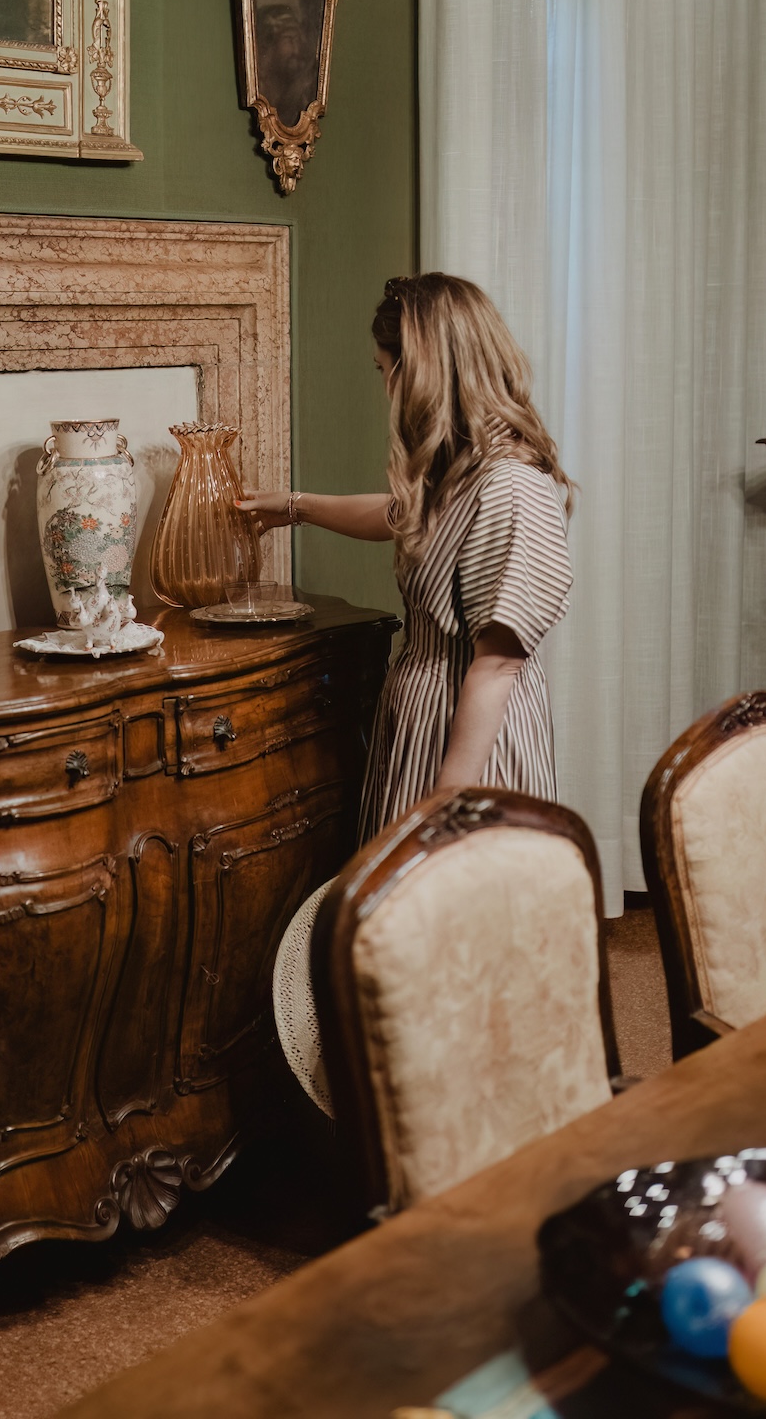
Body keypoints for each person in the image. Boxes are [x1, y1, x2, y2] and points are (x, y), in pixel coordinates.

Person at [252, 274, 575, 1113]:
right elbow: (402, 516)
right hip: (424, 713)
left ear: (421, 369)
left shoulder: (513, 487)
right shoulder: (462, 469)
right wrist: (293, 507)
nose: (384, 385)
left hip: (471, 735)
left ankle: (480, 1125)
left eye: (384, 368)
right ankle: (411, 1124)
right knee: (413, 950)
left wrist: (442, 810)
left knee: (460, 934)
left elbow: (496, 666)